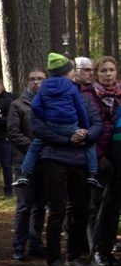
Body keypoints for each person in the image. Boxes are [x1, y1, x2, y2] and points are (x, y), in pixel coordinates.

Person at [32, 82, 103, 266]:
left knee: (81, 210)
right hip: (54, 158)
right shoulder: (46, 99)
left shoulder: (85, 100)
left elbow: (97, 124)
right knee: (58, 209)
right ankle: (54, 259)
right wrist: (67, 139)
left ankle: (74, 256)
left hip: (81, 161)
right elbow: (38, 127)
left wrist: (87, 136)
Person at [13, 53, 100, 188]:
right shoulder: (71, 87)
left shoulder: (44, 87)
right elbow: (80, 109)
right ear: (67, 72)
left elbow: (35, 105)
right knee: (89, 146)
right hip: (71, 126)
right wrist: (83, 128)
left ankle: (24, 173)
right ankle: (93, 174)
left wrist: (46, 116)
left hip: (51, 125)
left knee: (35, 147)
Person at [80, 56, 121, 266]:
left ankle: (108, 249)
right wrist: (99, 157)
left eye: (111, 70)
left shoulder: (120, 97)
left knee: (113, 208)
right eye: (103, 70)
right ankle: (94, 250)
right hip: (96, 159)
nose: (107, 74)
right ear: (96, 74)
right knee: (95, 207)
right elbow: (84, 128)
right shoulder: (87, 97)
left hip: (118, 159)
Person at [7, 68, 48, 261]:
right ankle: (19, 245)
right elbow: (13, 132)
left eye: (40, 79)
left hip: (47, 161)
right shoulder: (18, 105)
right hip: (23, 162)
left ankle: (36, 243)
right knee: (24, 205)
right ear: (27, 82)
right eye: (33, 79)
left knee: (40, 206)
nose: (36, 83)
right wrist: (34, 148)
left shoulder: (52, 104)